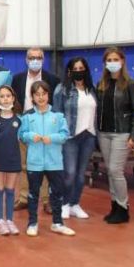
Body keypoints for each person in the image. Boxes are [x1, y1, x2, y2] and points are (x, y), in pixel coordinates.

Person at [19, 81, 74, 237]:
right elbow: (22, 135)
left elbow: (64, 135)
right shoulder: (27, 116)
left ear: (48, 95)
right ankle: (32, 223)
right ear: (32, 97)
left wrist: (53, 138)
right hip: (34, 163)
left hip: (54, 162)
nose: (41, 97)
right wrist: (30, 136)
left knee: (56, 192)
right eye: (37, 94)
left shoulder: (58, 114)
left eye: (44, 94)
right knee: (33, 193)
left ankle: (57, 223)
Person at [96, 47, 134, 224]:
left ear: (122, 61)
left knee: (116, 170)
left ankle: (123, 207)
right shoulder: (102, 85)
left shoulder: (132, 84)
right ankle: (114, 205)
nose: (112, 63)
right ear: (105, 64)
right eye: (109, 60)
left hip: (122, 134)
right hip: (104, 133)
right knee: (110, 171)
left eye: (116, 59)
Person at [12, 47, 60, 212]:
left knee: (46, 165)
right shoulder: (17, 79)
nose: (35, 60)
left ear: (43, 59)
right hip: (24, 125)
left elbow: (56, 103)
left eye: (38, 57)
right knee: (25, 165)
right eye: (31, 57)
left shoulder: (53, 79)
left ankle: (47, 201)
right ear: (26, 60)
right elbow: (14, 102)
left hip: (46, 126)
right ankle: (24, 198)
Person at [53, 57, 97, 220]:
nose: (79, 71)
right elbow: (57, 115)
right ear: (70, 71)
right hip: (70, 137)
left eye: (82, 68)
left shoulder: (92, 89)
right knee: (69, 173)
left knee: (80, 174)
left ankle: (75, 203)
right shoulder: (62, 89)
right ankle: (64, 204)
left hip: (89, 136)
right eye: (75, 68)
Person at [0, 85, 22, 236]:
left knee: (10, 191)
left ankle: (9, 220)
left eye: (8, 96)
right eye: (2, 96)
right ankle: (0, 221)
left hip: (14, 159)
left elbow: (24, 137)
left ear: (13, 98)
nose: (5, 99)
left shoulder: (19, 119)